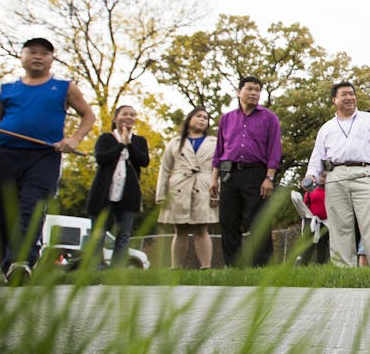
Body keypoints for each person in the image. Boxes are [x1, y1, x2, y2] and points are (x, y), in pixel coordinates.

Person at [0, 37, 96, 284]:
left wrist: (74, 139)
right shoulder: (6, 89)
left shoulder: (65, 87)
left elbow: (88, 115)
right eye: (32, 51)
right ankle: (10, 265)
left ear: (51, 59)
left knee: (31, 206)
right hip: (5, 154)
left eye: (45, 53)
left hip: (44, 156)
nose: (38, 56)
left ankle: (22, 261)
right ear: (22, 56)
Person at [305, 82, 370, 268]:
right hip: (335, 176)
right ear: (334, 100)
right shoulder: (326, 128)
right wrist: (312, 175)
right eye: (344, 94)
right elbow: (317, 157)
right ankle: (343, 269)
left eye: (352, 94)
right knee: (339, 225)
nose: (349, 97)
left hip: (366, 173)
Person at [211, 76, 282, 267]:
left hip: (257, 175)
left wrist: (269, 177)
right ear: (239, 91)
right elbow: (219, 150)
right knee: (228, 222)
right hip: (229, 175)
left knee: (258, 221)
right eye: (249, 89)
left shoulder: (269, 118)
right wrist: (214, 179)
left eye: (257, 90)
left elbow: (275, 150)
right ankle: (232, 266)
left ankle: (261, 266)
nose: (254, 93)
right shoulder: (227, 119)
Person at [86, 105, 149, 269]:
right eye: (125, 114)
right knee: (98, 231)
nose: (129, 117)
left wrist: (130, 144)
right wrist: (121, 144)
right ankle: (96, 266)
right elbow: (101, 158)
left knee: (124, 233)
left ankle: (117, 267)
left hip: (128, 193)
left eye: (133, 115)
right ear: (115, 118)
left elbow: (144, 161)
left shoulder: (140, 141)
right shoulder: (106, 138)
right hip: (104, 192)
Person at [157, 108, 219, 269]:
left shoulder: (215, 142)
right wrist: (161, 195)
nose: (202, 120)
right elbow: (164, 168)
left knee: (201, 228)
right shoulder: (175, 142)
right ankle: (175, 267)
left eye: (205, 117)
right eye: (198, 116)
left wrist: (217, 194)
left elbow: (218, 168)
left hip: (204, 185)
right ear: (189, 119)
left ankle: (206, 267)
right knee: (180, 229)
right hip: (179, 186)